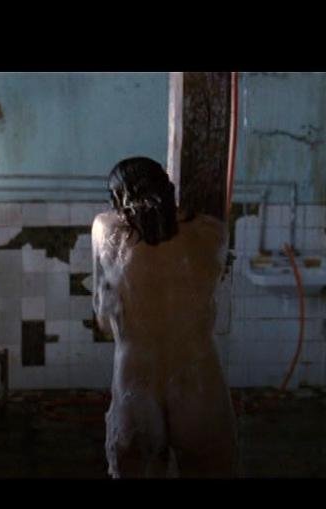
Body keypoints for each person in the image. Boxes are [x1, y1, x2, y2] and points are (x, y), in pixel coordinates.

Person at [92, 156, 237, 478]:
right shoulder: (213, 233)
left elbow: (102, 318)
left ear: (118, 199)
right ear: (168, 188)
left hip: (136, 380)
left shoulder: (106, 230)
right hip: (199, 379)